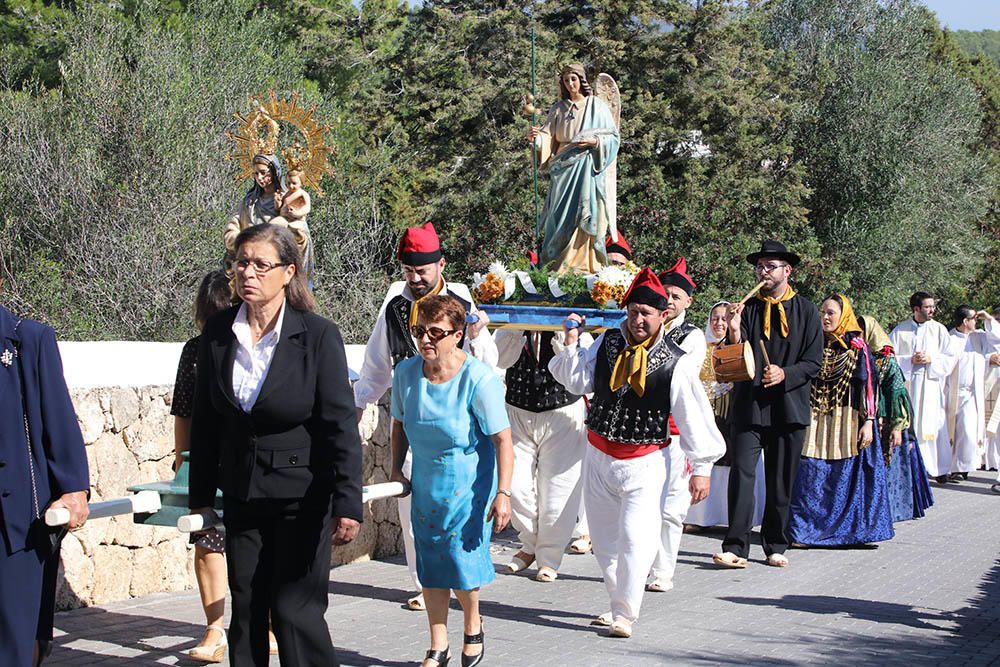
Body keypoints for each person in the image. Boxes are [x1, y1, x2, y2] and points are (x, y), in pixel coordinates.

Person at [188, 224, 363, 667]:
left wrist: (348, 500)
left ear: (288, 272)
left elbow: (339, 424)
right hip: (244, 495)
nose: (247, 273)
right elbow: (207, 424)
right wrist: (202, 501)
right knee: (246, 610)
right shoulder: (216, 335)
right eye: (241, 263)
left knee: (293, 611)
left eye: (260, 264)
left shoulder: (318, 335)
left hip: (302, 497)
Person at [549, 267, 725, 638]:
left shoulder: (675, 360)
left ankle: (625, 613)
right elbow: (578, 379)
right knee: (605, 543)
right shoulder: (609, 342)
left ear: (664, 315)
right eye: (633, 312)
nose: (639, 320)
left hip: (646, 462)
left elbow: (693, 414)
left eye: (646, 313)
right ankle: (619, 603)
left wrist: (702, 466)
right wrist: (569, 345)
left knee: (636, 539)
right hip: (598, 456)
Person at [354, 221, 496, 612]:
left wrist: (481, 335)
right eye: (409, 271)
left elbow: (489, 366)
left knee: (459, 509)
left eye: (422, 270)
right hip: (414, 416)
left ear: (440, 265)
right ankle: (425, 584)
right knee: (414, 510)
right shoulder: (394, 304)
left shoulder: (464, 300)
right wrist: (357, 406)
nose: (415, 279)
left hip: (460, 423)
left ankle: (463, 585)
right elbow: (376, 364)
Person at [389, 295, 514, 667]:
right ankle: (437, 642)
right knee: (429, 561)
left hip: (470, 483)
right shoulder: (406, 374)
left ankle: (473, 624)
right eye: (419, 331)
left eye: (436, 333)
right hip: (427, 479)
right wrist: (396, 468)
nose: (425, 340)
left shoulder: (479, 378)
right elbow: (398, 423)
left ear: (458, 335)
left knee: (460, 560)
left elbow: (503, 440)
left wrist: (503, 493)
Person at [713, 240, 823, 569]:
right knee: (742, 475)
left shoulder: (806, 309)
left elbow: (813, 361)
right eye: (760, 266)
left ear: (787, 271)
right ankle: (735, 546)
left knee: (780, 479)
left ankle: (775, 543)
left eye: (770, 266)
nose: (763, 272)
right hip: (750, 404)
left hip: (789, 407)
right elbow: (737, 356)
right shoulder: (748, 308)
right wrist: (734, 330)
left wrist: (785, 373)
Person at [0, 284, 90, 667]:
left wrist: (73, 488)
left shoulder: (27, 341)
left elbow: (57, 417)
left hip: (14, 520)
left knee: (12, 642)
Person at [787, 295, 894, 546]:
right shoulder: (810, 342)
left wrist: (869, 420)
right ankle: (803, 532)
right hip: (813, 417)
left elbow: (869, 385)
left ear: (843, 315)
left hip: (846, 419)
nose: (825, 317)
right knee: (809, 473)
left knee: (841, 477)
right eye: (822, 312)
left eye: (831, 313)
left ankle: (845, 532)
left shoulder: (857, 347)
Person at [170, 270, 237, 663]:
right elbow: (183, 409)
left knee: (256, 543)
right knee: (207, 538)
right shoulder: (194, 351)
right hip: (207, 463)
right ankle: (215, 628)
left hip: (251, 464)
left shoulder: (255, 348)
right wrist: (183, 458)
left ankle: (264, 621)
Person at [494, 326, 592, 582]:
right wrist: (515, 328)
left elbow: (579, 373)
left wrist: (568, 337)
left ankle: (548, 556)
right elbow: (500, 358)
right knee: (515, 486)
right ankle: (529, 544)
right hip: (517, 408)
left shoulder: (578, 324)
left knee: (558, 489)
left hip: (562, 411)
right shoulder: (514, 322)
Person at [645, 258, 706, 594]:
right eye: (664, 293)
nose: (668, 300)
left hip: (675, 431)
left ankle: (664, 569)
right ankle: (642, 563)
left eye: (675, 296)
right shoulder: (647, 326)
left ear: (687, 302)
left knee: (671, 506)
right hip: (645, 429)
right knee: (644, 505)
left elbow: (679, 372)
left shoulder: (693, 336)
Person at [529, 64, 620, 273]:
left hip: (586, 165)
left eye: (574, 79)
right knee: (558, 217)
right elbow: (548, 136)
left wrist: (594, 142)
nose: (570, 84)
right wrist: (537, 140)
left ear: (582, 80)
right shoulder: (558, 108)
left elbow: (613, 137)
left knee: (585, 212)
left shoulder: (596, 106)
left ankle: (583, 266)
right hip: (562, 168)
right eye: (566, 80)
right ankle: (554, 265)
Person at [685, 302, 767, 530]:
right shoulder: (698, 347)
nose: (719, 323)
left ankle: (732, 517)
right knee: (705, 462)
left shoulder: (738, 346)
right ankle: (699, 518)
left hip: (730, 412)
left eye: (723, 318)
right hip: (704, 413)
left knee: (731, 464)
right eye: (715, 318)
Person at [859, 315, 934, 521]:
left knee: (889, 466)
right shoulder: (859, 356)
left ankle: (891, 510)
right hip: (871, 420)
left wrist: (898, 427)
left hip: (888, 421)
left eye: (861, 332)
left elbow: (897, 393)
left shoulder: (887, 360)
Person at [889, 292, 958, 484]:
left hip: (931, 384)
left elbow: (950, 356)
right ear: (916, 309)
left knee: (935, 425)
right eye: (928, 307)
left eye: (933, 306)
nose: (932, 310)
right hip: (910, 385)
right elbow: (888, 356)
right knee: (912, 425)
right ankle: (913, 468)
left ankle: (939, 468)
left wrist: (931, 359)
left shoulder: (939, 330)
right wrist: (909, 361)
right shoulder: (900, 330)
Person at [946, 306, 1000, 481]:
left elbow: (997, 339)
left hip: (972, 392)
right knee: (950, 430)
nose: (976, 322)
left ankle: (962, 468)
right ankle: (945, 467)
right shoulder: (949, 338)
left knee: (968, 430)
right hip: (951, 391)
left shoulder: (979, 336)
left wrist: (989, 320)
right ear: (965, 321)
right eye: (974, 319)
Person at [223, 154, 284, 254]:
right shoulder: (249, 201)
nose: (259, 177)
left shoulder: (285, 199)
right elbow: (234, 224)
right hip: (248, 254)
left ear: (274, 172)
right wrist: (239, 239)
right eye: (256, 173)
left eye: (263, 172)